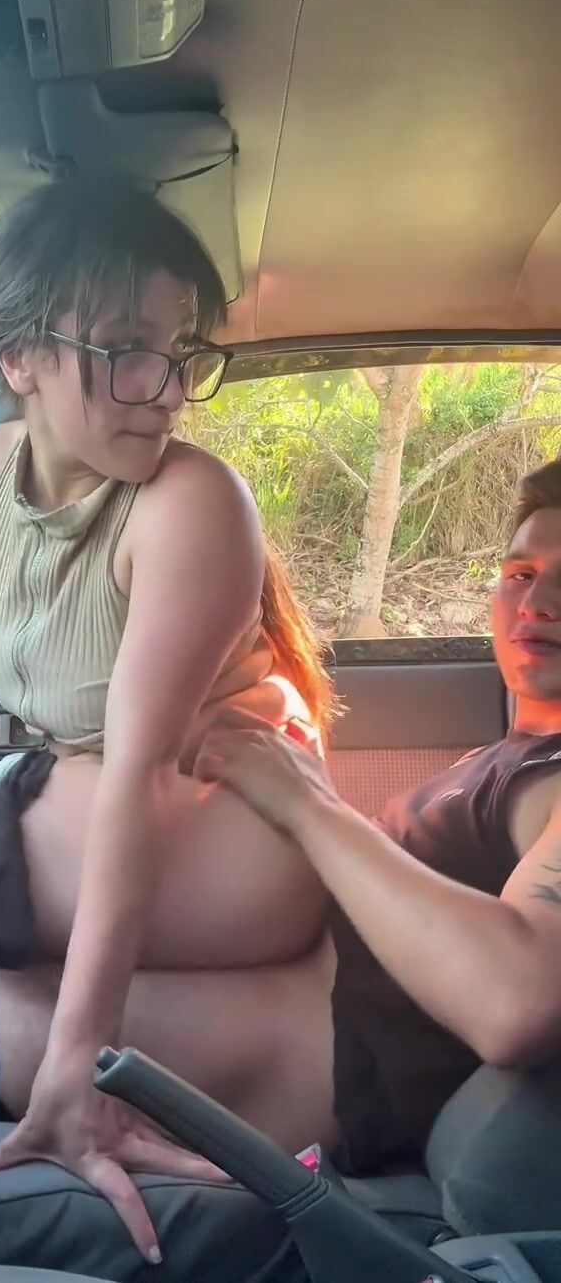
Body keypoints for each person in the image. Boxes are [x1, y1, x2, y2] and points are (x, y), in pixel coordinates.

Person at [0, 175, 337, 1263]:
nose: (165, 389)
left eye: (178, 350)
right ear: (18, 356)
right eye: (124, 349)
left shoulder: (189, 503)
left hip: (229, 826)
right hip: (101, 796)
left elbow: (137, 777)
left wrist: (80, 1060)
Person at [196, 455, 561, 1178]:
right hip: (260, 1011)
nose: (539, 601)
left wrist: (308, 805)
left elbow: (516, 1003)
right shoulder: (500, 759)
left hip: (317, 1075)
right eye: (521, 573)